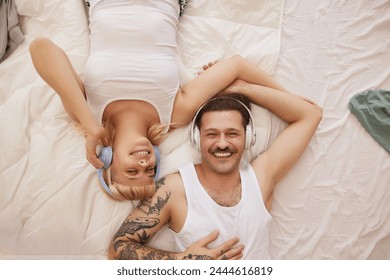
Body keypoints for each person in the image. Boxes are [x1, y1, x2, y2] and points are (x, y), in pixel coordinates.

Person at [29, 0, 289, 201]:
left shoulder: (90, 115)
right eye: (150, 172)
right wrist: (288, 98)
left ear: (108, 161)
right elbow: (237, 66)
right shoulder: (174, 114)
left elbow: (41, 48)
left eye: (132, 171)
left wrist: (90, 125)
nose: (144, 165)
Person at [108, 77, 323, 259]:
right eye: (211, 134)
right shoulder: (175, 188)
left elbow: (310, 114)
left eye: (232, 133)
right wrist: (181, 261)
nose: (222, 143)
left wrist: (240, 88)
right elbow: (118, 248)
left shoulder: (261, 177)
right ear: (196, 138)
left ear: (247, 138)